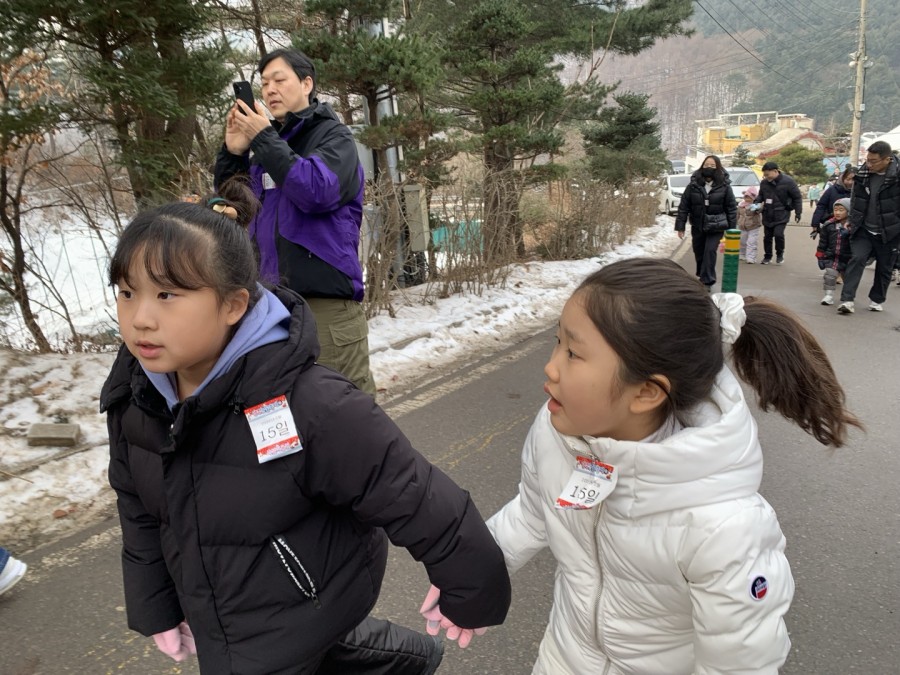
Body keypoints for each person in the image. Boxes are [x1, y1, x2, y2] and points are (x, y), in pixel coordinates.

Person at [100, 196, 511, 674]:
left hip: (304, 609)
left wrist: (473, 587)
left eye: (167, 295)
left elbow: (410, 491)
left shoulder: (309, 402)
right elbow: (138, 508)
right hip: (217, 607)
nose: (141, 318)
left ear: (233, 304)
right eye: (128, 292)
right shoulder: (135, 397)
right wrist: (156, 605)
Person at [419, 258, 862, 673]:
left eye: (573, 354)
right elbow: (534, 512)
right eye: (558, 342)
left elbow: (740, 661)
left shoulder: (725, 529)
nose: (551, 367)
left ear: (647, 392)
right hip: (564, 657)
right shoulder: (558, 434)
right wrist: (472, 574)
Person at [214, 48, 375, 395]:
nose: (269, 89)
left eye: (279, 80)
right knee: (287, 422)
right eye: (264, 83)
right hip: (272, 309)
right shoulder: (268, 149)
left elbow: (315, 191)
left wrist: (263, 140)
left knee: (345, 420)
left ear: (306, 83)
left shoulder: (334, 137)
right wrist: (234, 153)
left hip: (325, 311)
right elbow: (237, 208)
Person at [838, 140, 900, 314]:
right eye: (868, 160)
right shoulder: (863, 174)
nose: (869, 164)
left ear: (887, 160)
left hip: (890, 230)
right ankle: (847, 300)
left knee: (885, 266)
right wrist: (852, 218)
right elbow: (856, 198)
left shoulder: (897, 176)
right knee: (857, 259)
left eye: (873, 161)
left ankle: (877, 299)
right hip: (864, 228)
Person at [674, 154, 737, 291]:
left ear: (718, 168)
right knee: (699, 252)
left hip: (717, 225)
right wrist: (681, 226)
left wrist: (732, 230)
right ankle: (702, 274)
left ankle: (707, 280)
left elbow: (731, 208)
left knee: (710, 251)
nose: (709, 168)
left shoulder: (725, 186)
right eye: (706, 165)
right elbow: (684, 206)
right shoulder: (693, 185)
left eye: (713, 166)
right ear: (702, 166)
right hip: (698, 224)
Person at [755, 160, 802, 265]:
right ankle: (767, 256)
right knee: (767, 236)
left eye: (767, 174)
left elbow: (797, 198)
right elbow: (761, 195)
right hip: (767, 213)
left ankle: (780, 254)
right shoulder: (764, 183)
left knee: (778, 234)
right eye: (764, 175)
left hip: (782, 213)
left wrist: (798, 213)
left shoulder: (789, 182)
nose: (766, 176)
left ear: (775, 171)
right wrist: (756, 202)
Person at [816, 198, 852, 305]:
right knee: (830, 275)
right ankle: (828, 296)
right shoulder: (828, 225)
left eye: (841, 210)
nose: (837, 212)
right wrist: (820, 255)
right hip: (832, 256)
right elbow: (823, 241)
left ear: (849, 211)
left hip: (848, 257)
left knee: (849, 279)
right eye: (836, 209)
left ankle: (848, 298)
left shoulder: (853, 226)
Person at [810, 166, 856, 235]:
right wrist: (815, 223)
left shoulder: (861, 192)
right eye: (848, 179)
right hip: (832, 225)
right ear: (843, 178)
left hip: (853, 227)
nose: (850, 182)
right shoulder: (832, 190)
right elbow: (821, 206)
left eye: (853, 180)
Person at [737, 185, 762, 263]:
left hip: (753, 226)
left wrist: (757, 207)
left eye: (749, 198)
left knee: (751, 242)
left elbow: (759, 209)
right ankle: (742, 254)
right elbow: (737, 215)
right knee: (742, 241)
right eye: (746, 197)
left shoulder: (756, 205)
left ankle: (751, 258)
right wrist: (736, 223)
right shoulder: (741, 205)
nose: (747, 199)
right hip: (742, 226)